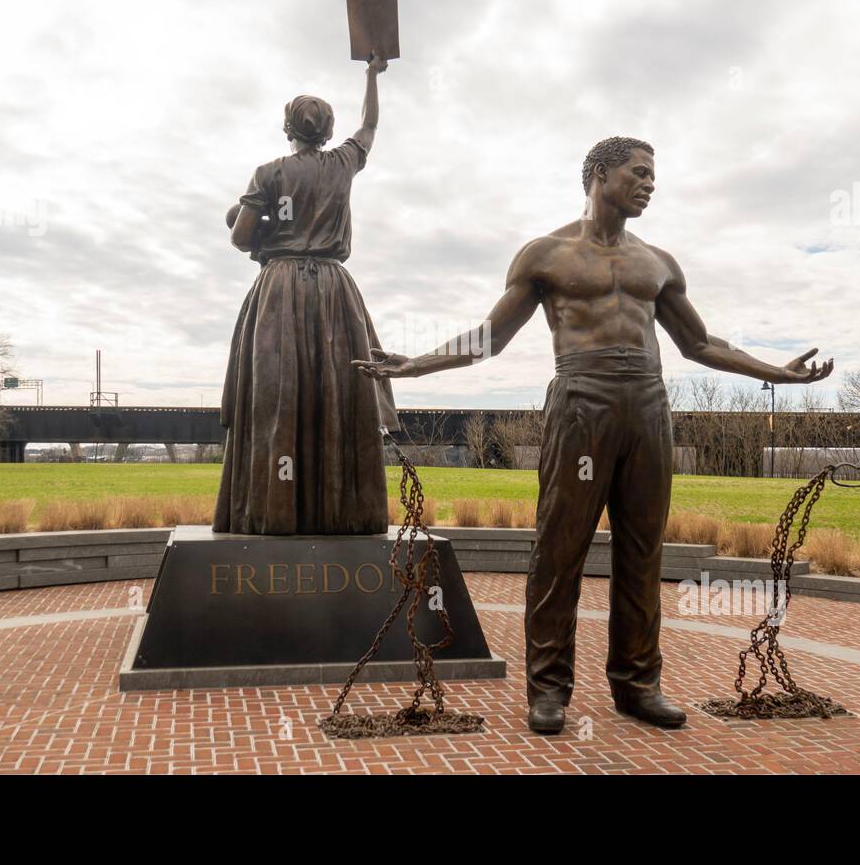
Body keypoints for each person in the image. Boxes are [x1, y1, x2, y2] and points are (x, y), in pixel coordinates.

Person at [356, 136, 834, 734]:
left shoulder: (658, 263)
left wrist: (777, 374)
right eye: (639, 173)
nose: (649, 184)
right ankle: (549, 690)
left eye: (654, 176)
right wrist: (415, 365)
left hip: (649, 406)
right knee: (560, 551)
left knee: (642, 552)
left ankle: (638, 685)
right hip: (582, 401)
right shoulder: (545, 254)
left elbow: (702, 344)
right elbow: (489, 338)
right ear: (601, 175)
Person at [213, 52, 399, 535]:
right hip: (335, 290)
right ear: (329, 130)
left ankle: (271, 510)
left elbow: (240, 237)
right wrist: (372, 75)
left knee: (278, 394)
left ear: (286, 129)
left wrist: (264, 225)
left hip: (280, 287)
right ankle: (343, 511)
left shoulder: (269, 173)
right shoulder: (343, 162)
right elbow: (371, 123)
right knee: (337, 392)